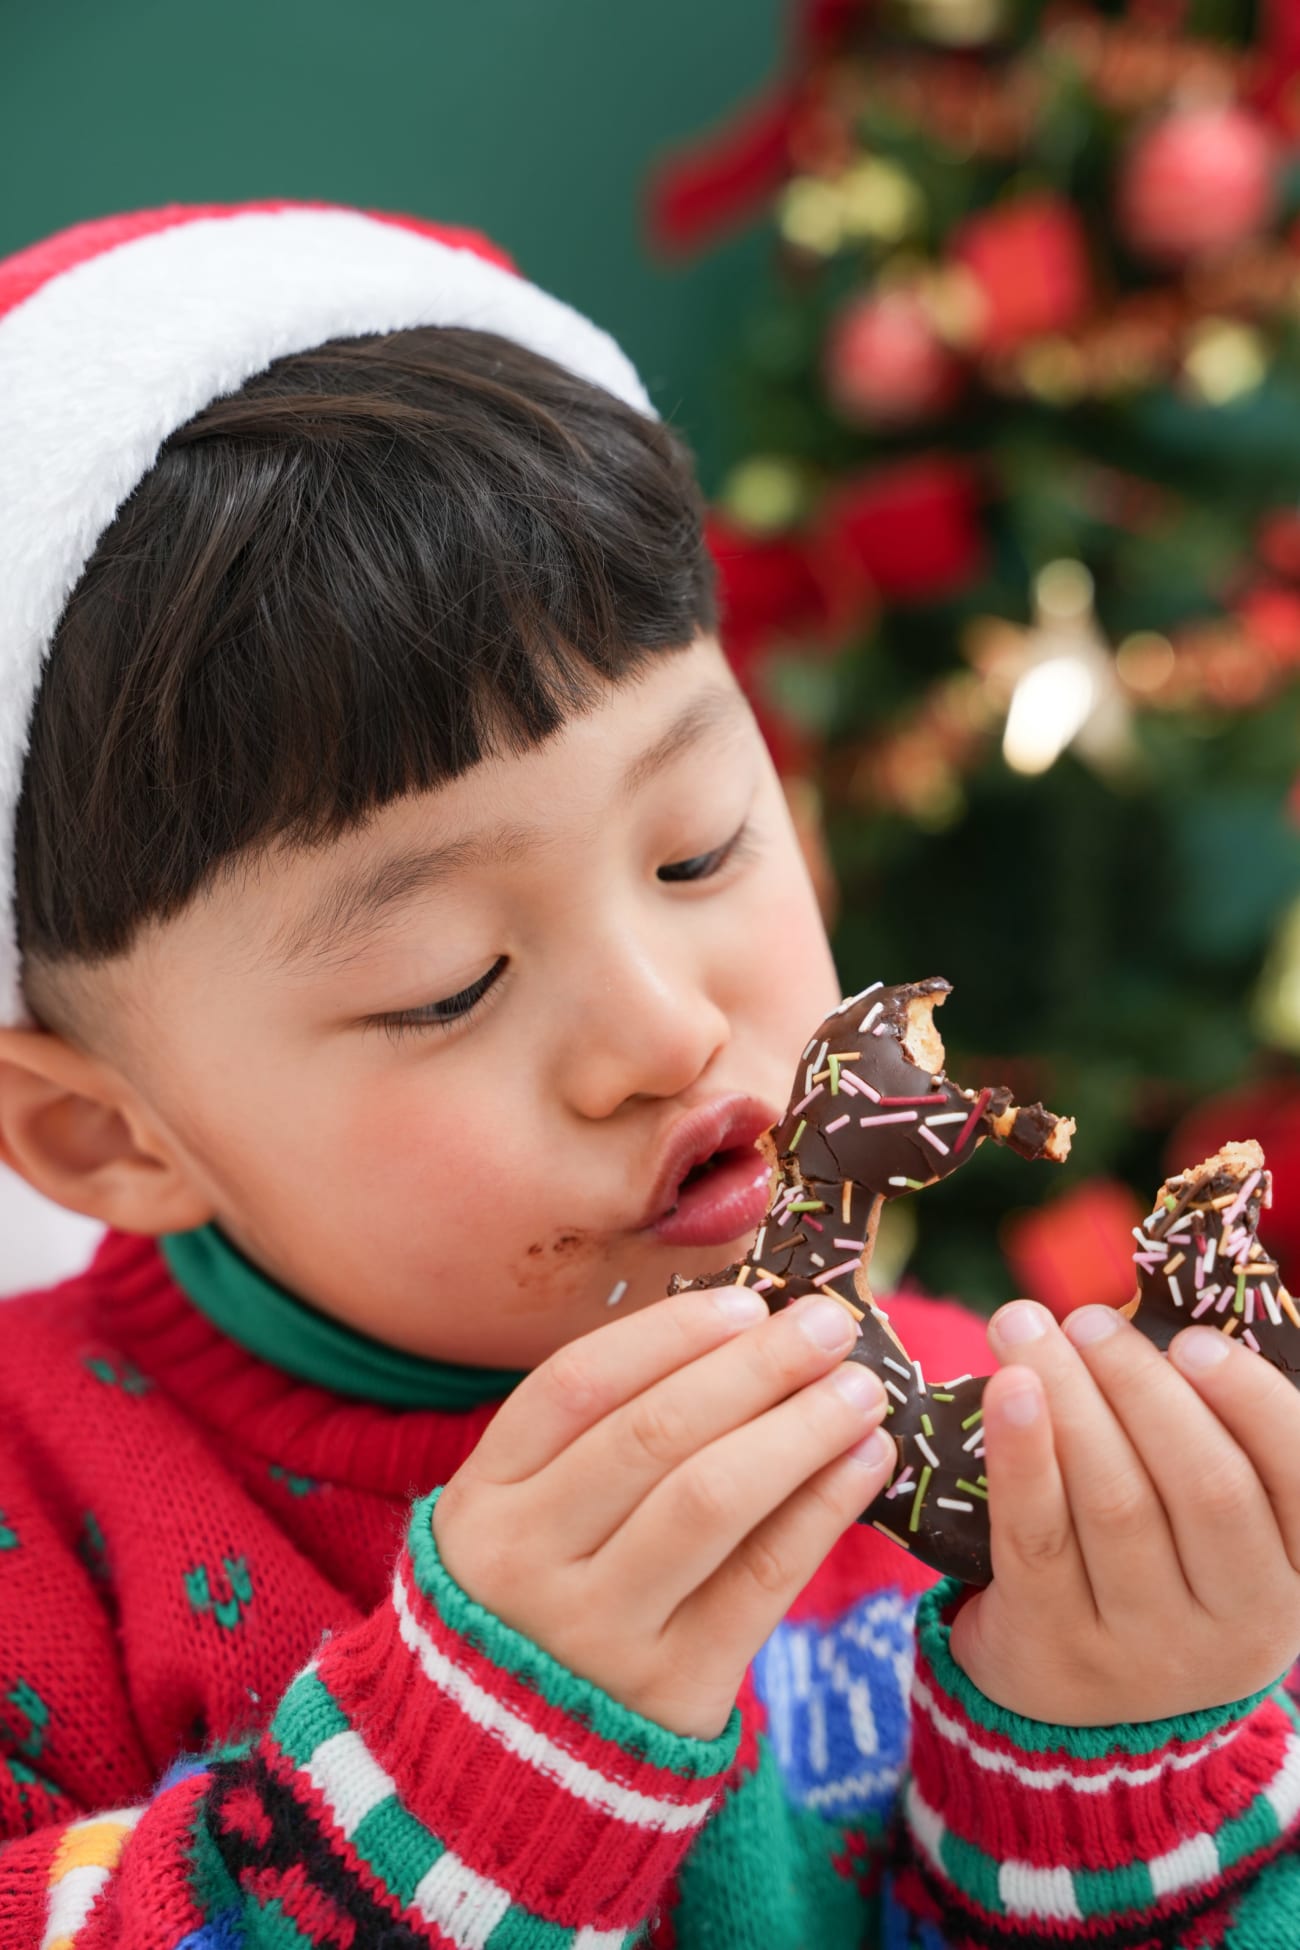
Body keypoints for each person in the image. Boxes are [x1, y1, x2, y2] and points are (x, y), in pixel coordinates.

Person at [0, 203, 1298, 1950]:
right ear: (105, 1129)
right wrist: (447, 1795)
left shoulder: (959, 1441)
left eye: (697, 852)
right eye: (448, 985)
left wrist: (1116, 1767)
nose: (662, 1030)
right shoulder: (48, 1547)